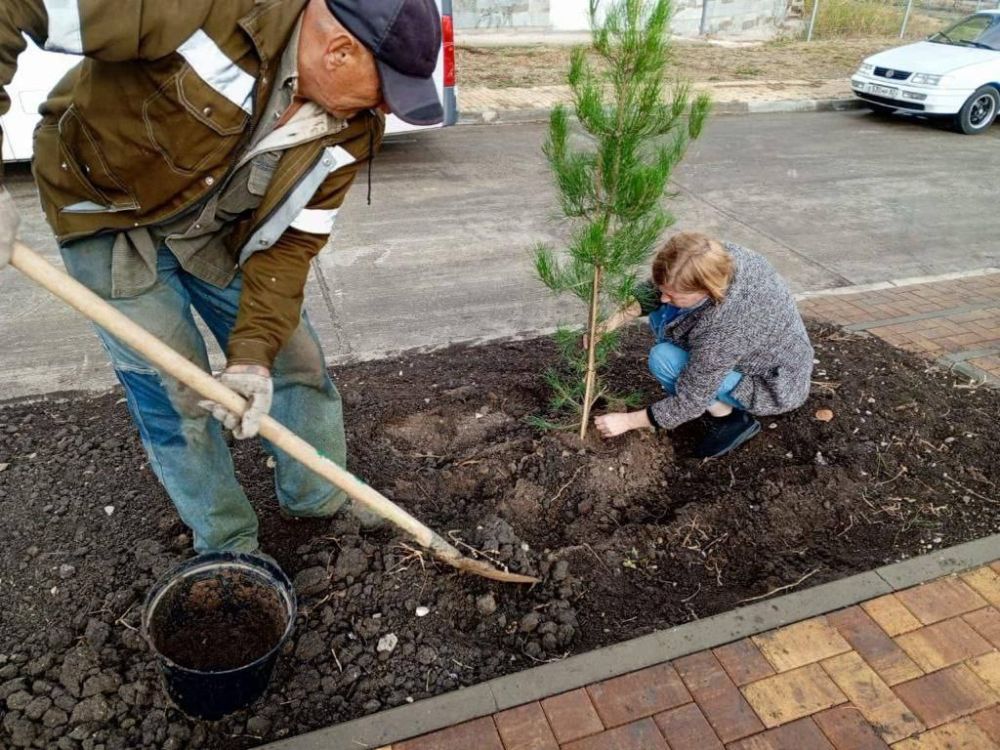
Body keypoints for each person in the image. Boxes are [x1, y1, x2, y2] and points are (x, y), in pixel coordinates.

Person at [0, 0, 444, 554]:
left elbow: (290, 247)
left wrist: (253, 356)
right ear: (340, 51)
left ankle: (320, 502)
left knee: (293, 361)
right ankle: (228, 547)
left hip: (216, 227)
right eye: (384, 90)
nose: (383, 108)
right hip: (107, 215)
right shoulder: (206, 9)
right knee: (173, 387)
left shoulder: (349, 130)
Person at [593, 232, 814, 458]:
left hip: (772, 382)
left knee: (664, 359)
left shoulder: (724, 328)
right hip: (749, 349)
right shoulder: (714, 257)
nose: (663, 298)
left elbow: (691, 400)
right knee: (661, 314)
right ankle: (708, 389)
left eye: (672, 294)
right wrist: (607, 324)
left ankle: (730, 420)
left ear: (706, 290)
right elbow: (659, 286)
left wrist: (628, 421)